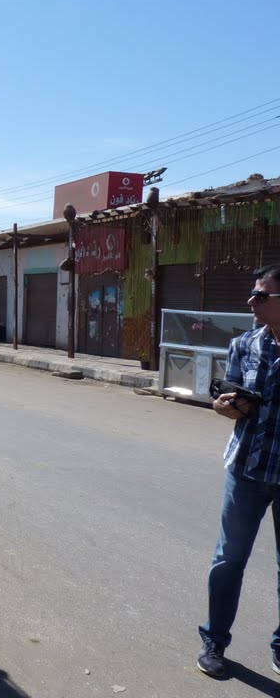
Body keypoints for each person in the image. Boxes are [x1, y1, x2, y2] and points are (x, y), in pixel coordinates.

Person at [197, 262, 280, 679]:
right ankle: (214, 640)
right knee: (228, 559)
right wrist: (225, 406)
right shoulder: (244, 344)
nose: (251, 301)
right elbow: (223, 396)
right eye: (253, 293)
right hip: (246, 469)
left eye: (262, 295)